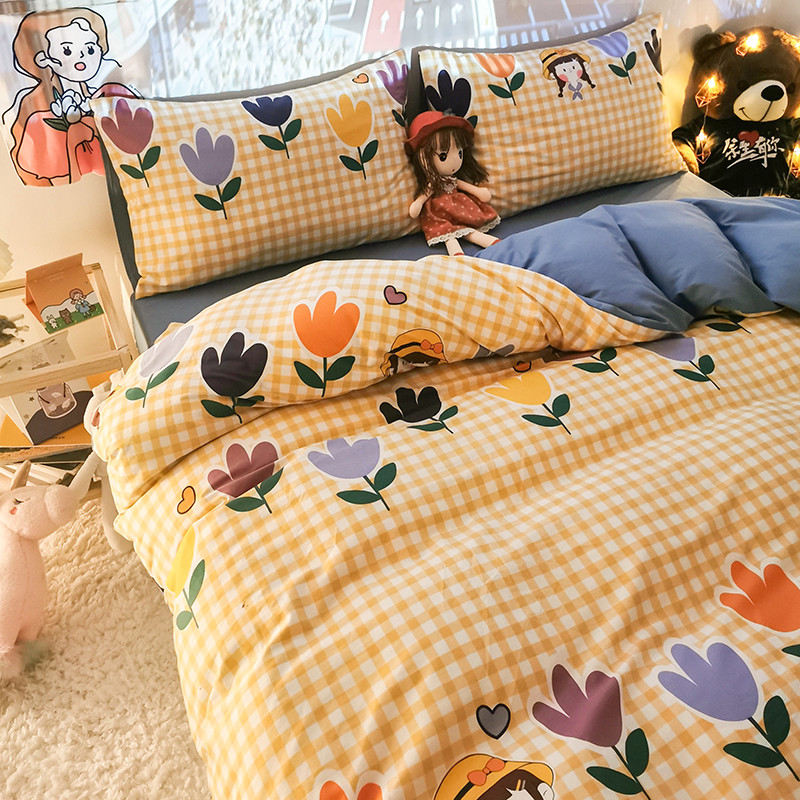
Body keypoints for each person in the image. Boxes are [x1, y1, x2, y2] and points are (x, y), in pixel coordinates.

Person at [4, 9, 135, 186]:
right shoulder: (37, 114)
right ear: (44, 60)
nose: (81, 56)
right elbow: (38, 165)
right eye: (66, 51)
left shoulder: (115, 91)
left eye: (90, 48)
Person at [405, 111, 501, 255]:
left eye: (460, 153)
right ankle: (457, 254)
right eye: (443, 156)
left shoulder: (453, 179)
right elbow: (424, 196)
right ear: (423, 157)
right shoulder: (433, 184)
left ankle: (492, 242)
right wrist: (418, 203)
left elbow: (463, 185)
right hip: (439, 213)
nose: (455, 161)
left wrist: (478, 192)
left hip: (459, 208)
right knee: (447, 234)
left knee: (469, 231)